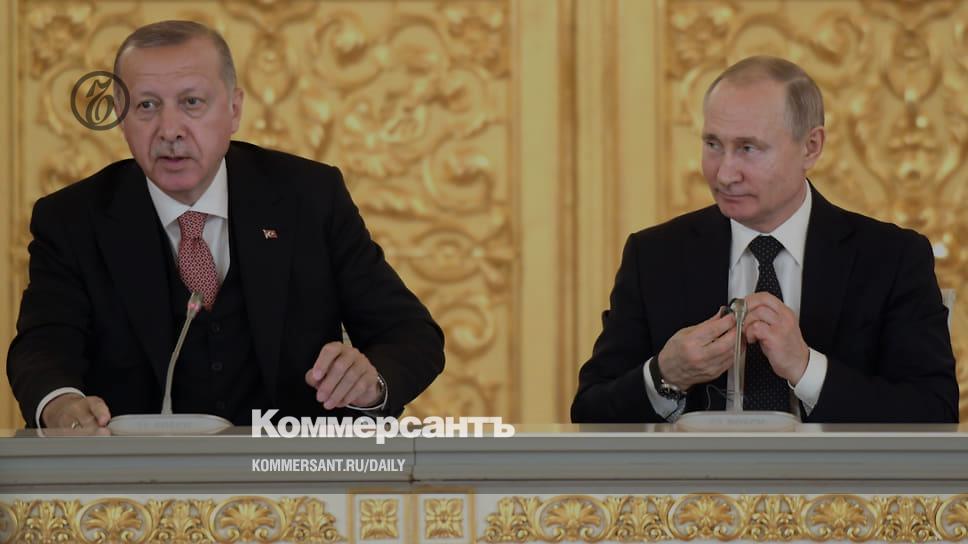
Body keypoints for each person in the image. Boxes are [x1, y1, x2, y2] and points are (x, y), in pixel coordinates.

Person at [7, 20, 445, 430]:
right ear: (121, 116)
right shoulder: (72, 219)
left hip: (295, 472)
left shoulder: (309, 196)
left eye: (192, 103)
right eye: (147, 106)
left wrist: (371, 383)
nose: (170, 130)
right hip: (137, 478)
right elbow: (43, 348)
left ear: (234, 110)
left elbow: (409, 334)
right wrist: (61, 404)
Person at [571, 56, 958, 423]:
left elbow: (935, 413)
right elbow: (589, 413)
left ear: (811, 147)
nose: (725, 174)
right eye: (712, 145)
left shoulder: (891, 258)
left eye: (748, 148)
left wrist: (806, 368)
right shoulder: (654, 256)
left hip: (837, 475)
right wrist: (665, 375)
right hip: (695, 475)